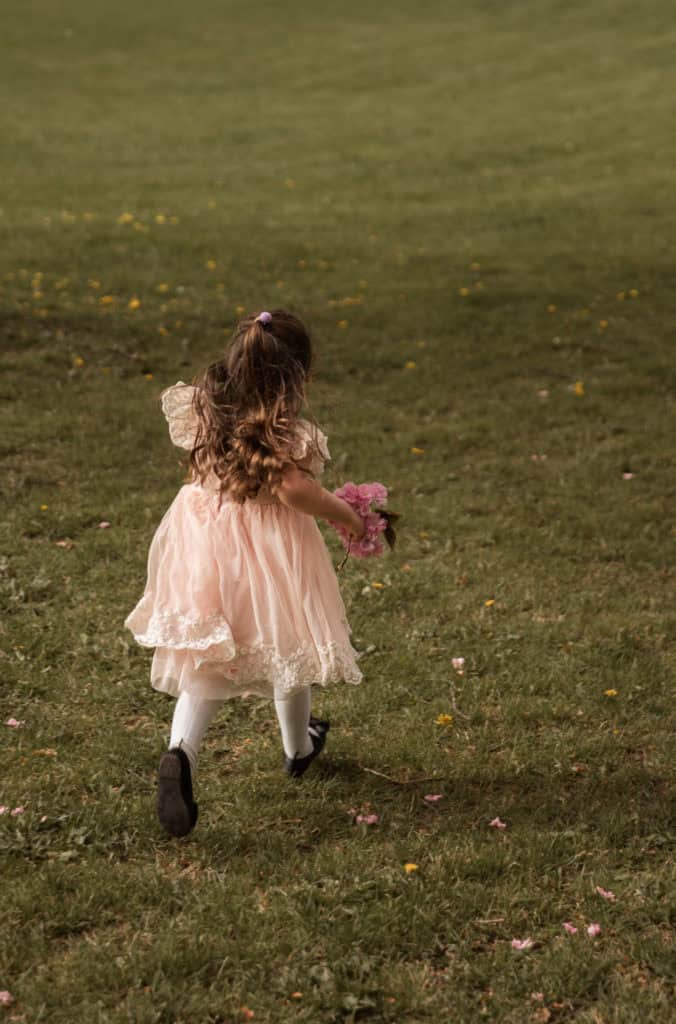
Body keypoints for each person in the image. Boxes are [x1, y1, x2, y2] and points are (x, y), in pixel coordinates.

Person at [124, 309, 366, 837]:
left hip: (206, 542)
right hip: (266, 547)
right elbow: (295, 492)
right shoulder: (282, 431)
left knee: (210, 655)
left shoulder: (206, 408)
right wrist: (347, 515)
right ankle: (298, 748)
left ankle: (181, 753)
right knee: (289, 649)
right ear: (297, 375)